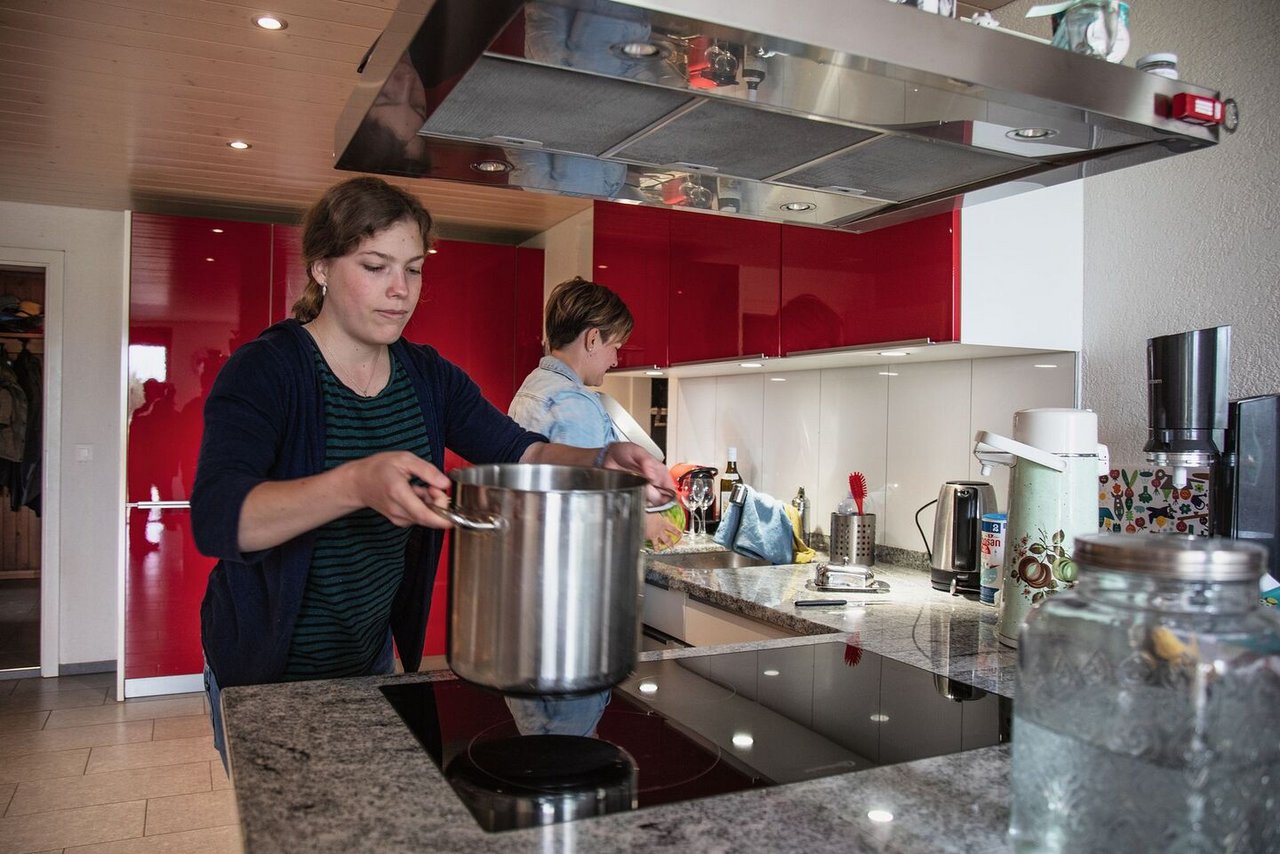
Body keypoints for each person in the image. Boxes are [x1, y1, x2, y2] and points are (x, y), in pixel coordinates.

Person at [191, 176, 670, 767]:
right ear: (320, 267)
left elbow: (520, 450)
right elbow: (218, 520)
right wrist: (356, 483)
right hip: (265, 674)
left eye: (413, 269)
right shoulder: (268, 370)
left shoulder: (426, 376)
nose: (399, 291)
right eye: (374, 266)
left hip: (371, 661)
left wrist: (599, 459)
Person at [505, 277, 680, 737]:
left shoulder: (533, 389)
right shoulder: (574, 404)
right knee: (566, 747)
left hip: (532, 605)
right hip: (567, 609)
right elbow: (582, 504)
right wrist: (642, 519)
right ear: (591, 337)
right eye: (615, 345)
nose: (616, 358)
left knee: (540, 740)